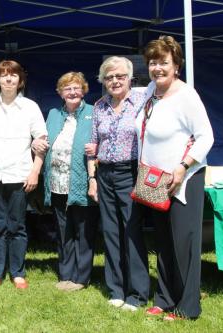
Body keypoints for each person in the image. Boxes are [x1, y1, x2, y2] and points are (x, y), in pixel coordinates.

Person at [138, 36, 213, 320]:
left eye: (164, 63)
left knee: (185, 245)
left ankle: (187, 307)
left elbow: (206, 137)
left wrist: (183, 167)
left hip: (183, 179)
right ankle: (165, 298)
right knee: (164, 242)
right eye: (153, 62)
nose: (158, 68)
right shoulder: (149, 91)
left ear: (177, 65)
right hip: (155, 179)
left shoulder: (186, 96)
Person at [0, 60, 47, 289]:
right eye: (4, 75)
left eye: (13, 75)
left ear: (20, 80)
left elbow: (42, 142)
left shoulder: (30, 107)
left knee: (17, 225)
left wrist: (35, 172)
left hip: (20, 175)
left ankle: (17, 273)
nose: (8, 79)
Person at [85, 57, 150, 310]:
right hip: (104, 174)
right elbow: (92, 148)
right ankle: (116, 289)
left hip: (131, 171)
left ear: (129, 78)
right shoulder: (99, 106)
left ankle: (137, 294)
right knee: (111, 233)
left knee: (132, 231)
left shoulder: (142, 102)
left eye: (120, 76)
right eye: (109, 77)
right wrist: (93, 179)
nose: (114, 81)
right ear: (103, 80)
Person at [33, 72, 97, 291]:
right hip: (57, 183)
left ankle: (81, 277)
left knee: (83, 230)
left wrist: (92, 178)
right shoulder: (52, 114)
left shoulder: (93, 112)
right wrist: (35, 144)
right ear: (60, 93)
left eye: (76, 87)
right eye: (67, 88)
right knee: (63, 231)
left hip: (81, 181)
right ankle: (65, 274)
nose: (72, 92)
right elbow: (41, 141)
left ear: (84, 90)